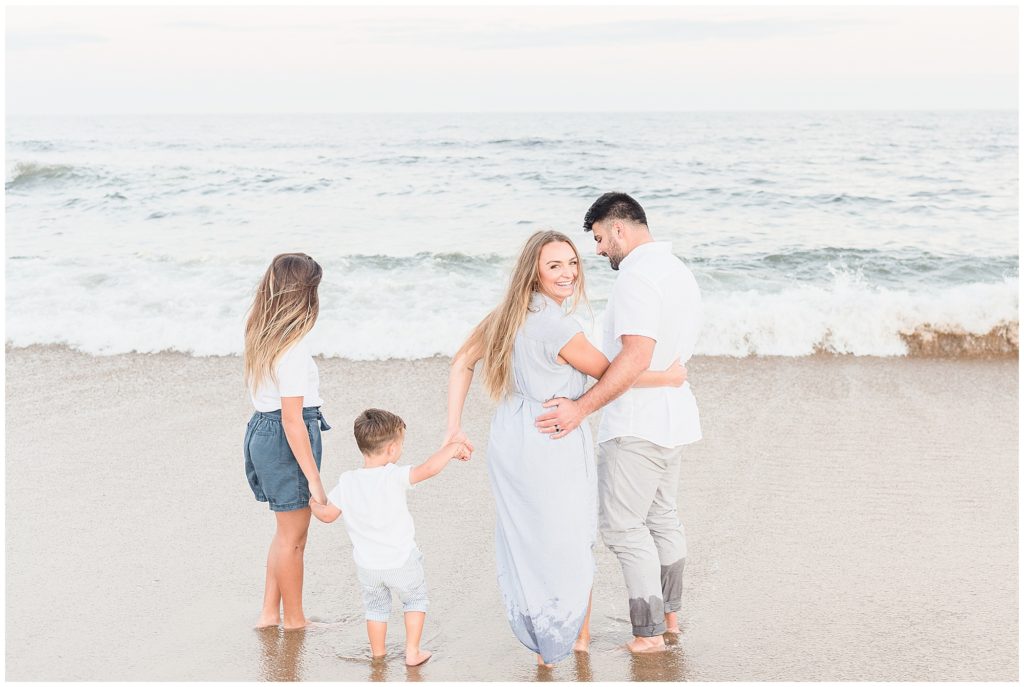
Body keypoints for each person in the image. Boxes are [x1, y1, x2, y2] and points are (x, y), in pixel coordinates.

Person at [445, 230, 687, 666]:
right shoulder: (559, 327)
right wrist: (665, 378)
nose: (568, 273)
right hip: (551, 436)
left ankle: (550, 640)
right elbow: (613, 375)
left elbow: (462, 361)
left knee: (530, 538)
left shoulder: (503, 316)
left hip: (510, 435)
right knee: (571, 538)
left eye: (572, 263)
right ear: (533, 271)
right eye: (555, 265)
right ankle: (570, 640)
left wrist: (454, 428)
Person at [535, 193, 703, 653]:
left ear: (619, 230)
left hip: (637, 424)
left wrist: (581, 408)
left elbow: (634, 356)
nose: (597, 251)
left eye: (598, 238)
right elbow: (661, 357)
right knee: (662, 517)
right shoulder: (678, 272)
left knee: (624, 528)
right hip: (674, 419)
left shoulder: (636, 278)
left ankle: (646, 636)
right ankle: (670, 621)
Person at [309, 408, 471, 667]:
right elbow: (429, 468)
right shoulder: (392, 475)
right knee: (415, 599)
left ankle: (378, 654)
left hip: (368, 567)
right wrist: (452, 449)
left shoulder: (348, 480)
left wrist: (313, 504)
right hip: (401, 561)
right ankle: (412, 651)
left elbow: (328, 515)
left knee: (375, 608)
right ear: (392, 449)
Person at [243, 252, 332, 630]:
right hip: (284, 437)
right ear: (305, 296)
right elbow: (294, 420)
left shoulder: (261, 333)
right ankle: (294, 620)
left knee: (284, 533)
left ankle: (269, 613)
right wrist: (314, 480)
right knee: (294, 539)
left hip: (262, 431)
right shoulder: (293, 350)